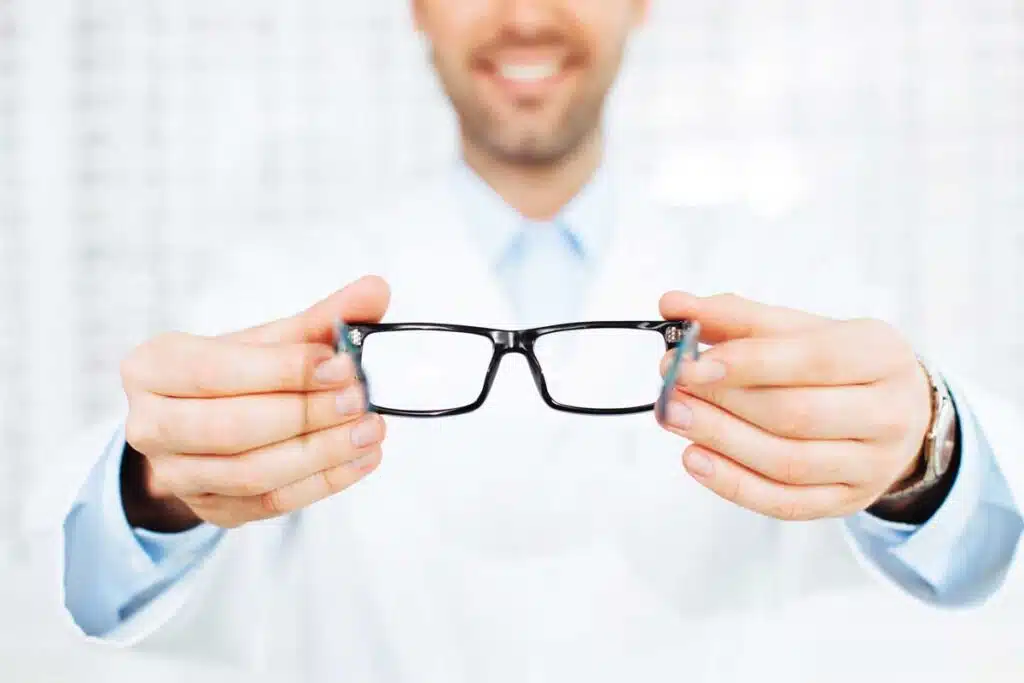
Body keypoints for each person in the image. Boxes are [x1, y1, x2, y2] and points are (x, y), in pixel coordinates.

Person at [42, 1, 1024, 681]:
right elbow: (81, 581)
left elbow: (982, 551)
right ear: (417, 10)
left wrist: (922, 451)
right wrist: (156, 489)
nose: (522, 15)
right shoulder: (280, 281)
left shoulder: (792, 274)